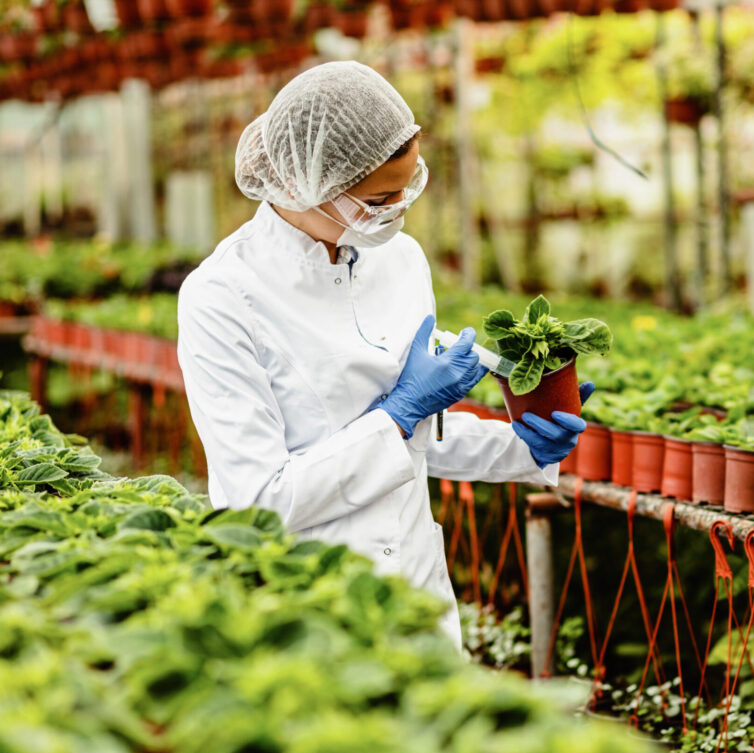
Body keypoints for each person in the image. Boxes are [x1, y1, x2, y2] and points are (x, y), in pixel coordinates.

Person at [177, 61, 590, 649]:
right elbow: (259, 502)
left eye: (408, 186)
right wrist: (396, 412)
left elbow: (420, 441)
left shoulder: (400, 260)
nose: (398, 210)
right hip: (308, 601)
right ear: (304, 185)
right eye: (379, 198)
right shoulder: (222, 297)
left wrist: (522, 443)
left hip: (416, 590)